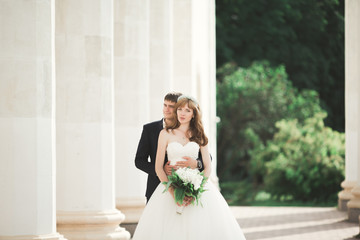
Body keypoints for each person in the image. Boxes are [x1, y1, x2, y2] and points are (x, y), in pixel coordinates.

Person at [132, 95, 246, 240]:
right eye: (179, 109)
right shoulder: (165, 133)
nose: (182, 113)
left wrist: (196, 190)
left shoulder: (200, 135)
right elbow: (158, 167)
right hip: (168, 188)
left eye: (187, 110)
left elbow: (208, 167)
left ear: (194, 114)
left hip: (197, 188)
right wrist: (173, 191)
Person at [135, 92, 205, 202]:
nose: (166, 109)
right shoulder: (150, 129)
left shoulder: (194, 132)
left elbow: (206, 157)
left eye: (171, 106)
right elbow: (139, 161)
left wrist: (196, 164)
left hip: (189, 184)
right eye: (165, 105)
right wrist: (161, 169)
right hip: (157, 187)